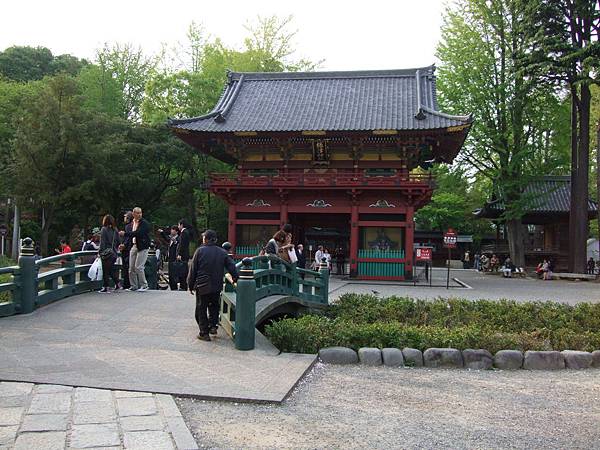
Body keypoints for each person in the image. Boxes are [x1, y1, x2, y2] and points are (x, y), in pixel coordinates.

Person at [187, 229, 238, 341]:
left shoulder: (200, 251)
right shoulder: (222, 252)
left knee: (201, 308)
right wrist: (235, 278)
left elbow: (193, 270)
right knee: (214, 306)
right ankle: (213, 326)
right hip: (216, 285)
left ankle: (204, 332)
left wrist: (190, 285)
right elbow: (232, 266)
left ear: (206, 239)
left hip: (202, 285)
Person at [119, 207, 151, 292]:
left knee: (139, 267)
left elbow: (138, 233)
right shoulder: (131, 224)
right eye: (137, 213)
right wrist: (124, 244)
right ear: (133, 214)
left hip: (142, 246)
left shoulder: (144, 223)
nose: (139, 214)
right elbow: (130, 235)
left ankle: (144, 285)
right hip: (134, 245)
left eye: (140, 213)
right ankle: (133, 285)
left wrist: (125, 234)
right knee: (131, 267)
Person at [98, 214, 121, 293]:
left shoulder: (104, 229)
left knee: (106, 270)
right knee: (110, 269)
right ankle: (117, 283)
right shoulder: (115, 230)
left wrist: (100, 252)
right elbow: (118, 242)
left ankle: (106, 286)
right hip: (113, 253)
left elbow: (102, 243)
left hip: (106, 253)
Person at [119, 211, 133, 289]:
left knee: (126, 267)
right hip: (130, 248)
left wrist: (124, 245)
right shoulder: (132, 225)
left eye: (125, 217)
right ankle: (129, 283)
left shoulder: (128, 226)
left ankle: (126, 284)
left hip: (127, 249)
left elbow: (128, 237)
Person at [177, 219, 192, 290]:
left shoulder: (184, 232)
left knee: (182, 270)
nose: (178, 226)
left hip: (183, 254)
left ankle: (183, 286)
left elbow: (182, 245)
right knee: (183, 270)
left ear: (181, 225)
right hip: (185, 253)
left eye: (178, 225)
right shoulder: (186, 232)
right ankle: (183, 285)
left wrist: (179, 254)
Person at [166, 225, 180, 290]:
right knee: (170, 273)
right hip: (170, 258)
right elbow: (166, 239)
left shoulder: (178, 239)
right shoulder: (171, 238)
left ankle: (174, 286)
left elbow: (178, 245)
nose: (171, 231)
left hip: (174, 258)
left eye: (173, 229)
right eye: (171, 229)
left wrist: (175, 241)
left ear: (176, 231)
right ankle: (172, 286)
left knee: (174, 273)